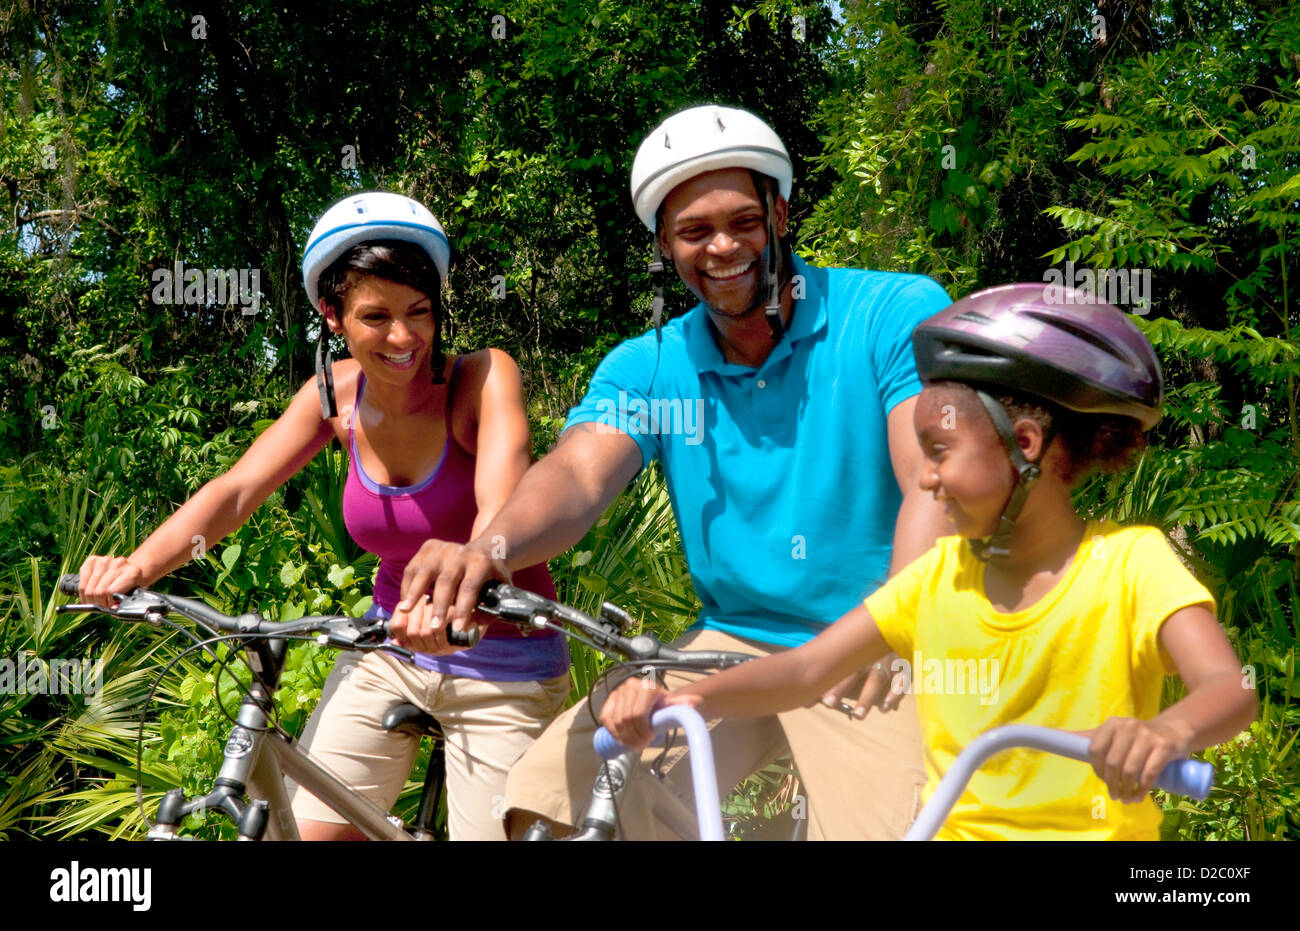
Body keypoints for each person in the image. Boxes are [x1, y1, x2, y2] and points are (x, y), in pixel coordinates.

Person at [396, 105, 954, 840]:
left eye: (742, 221)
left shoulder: (889, 310)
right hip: (730, 641)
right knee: (552, 801)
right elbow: (577, 476)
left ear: (779, 212)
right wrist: (486, 550)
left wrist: (893, 620)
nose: (722, 247)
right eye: (694, 231)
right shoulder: (652, 365)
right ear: (665, 242)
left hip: (871, 641)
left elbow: (933, 477)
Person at [600, 283, 1258, 840]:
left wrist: (1167, 731)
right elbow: (804, 670)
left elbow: (1230, 690)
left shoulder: (1131, 564)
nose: (927, 479)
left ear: (1023, 445)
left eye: (939, 452)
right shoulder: (937, 581)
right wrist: (678, 698)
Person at [76, 191, 570, 841]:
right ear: (331, 315)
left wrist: (457, 598)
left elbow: (500, 509)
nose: (403, 337)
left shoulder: (483, 379)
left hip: (502, 657)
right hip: (388, 646)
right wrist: (137, 567)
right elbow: (236, 491)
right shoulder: (330, 397)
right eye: (376, 316)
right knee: (303, 834)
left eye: (419, 312)